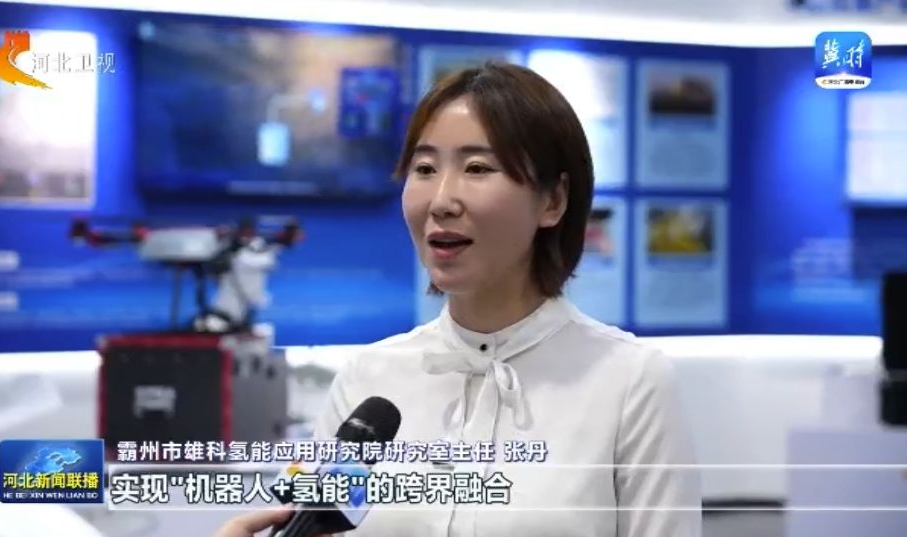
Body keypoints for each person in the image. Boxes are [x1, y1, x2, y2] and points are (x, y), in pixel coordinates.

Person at [215, 62, 701, 537]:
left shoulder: (629, 382)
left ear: (552, 200)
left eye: (477, 168)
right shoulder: (368, 379)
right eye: (425, 168)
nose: (441, 200)